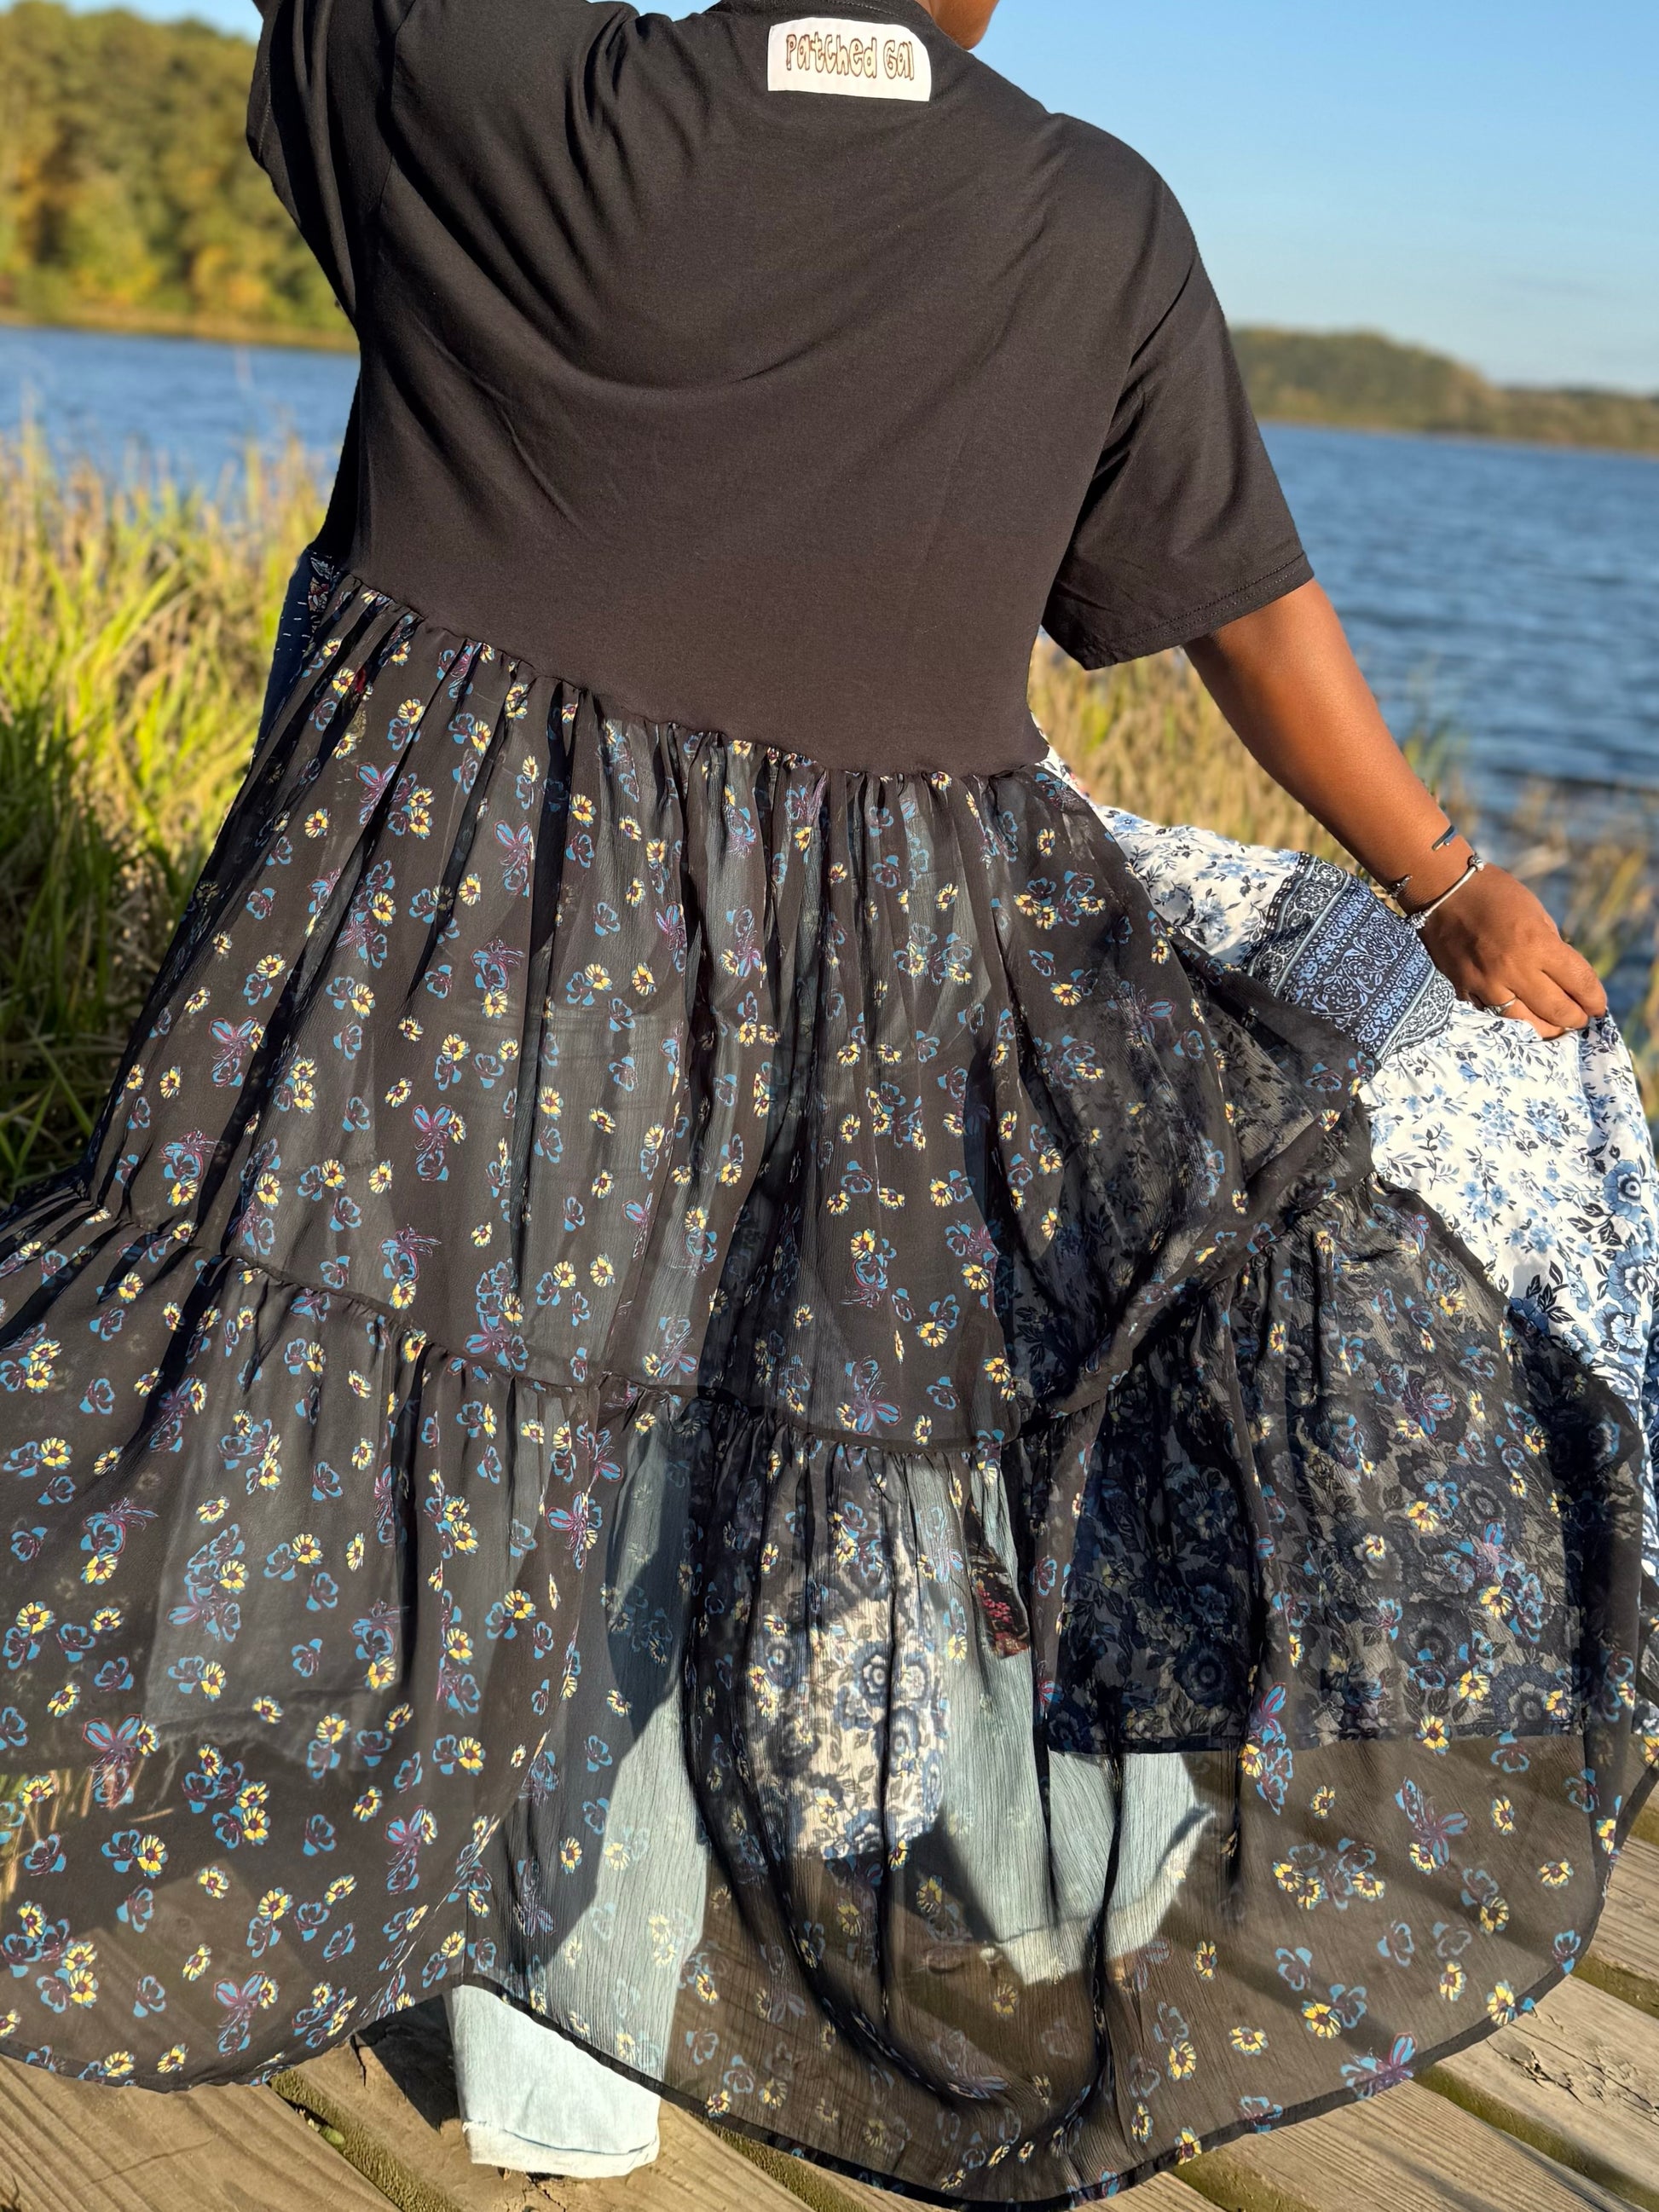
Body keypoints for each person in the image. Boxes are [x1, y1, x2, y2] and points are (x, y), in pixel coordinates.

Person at [0, 0, 1654, 2202]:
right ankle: (782, 1951)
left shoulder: (502, 89)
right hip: (886, 983)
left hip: (470, 942)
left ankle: (540, 2029)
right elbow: (1246, 612)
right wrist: (1442, 880)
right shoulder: (1088, 221)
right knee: (805, 1449)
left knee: (514, 1416)